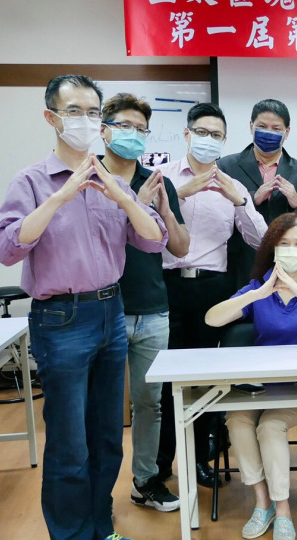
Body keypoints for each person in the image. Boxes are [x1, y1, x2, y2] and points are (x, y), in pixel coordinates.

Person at [0, 74, 167, 540]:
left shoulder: (112, 181)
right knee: (70, 442)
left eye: (93, 112)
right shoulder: (31, 181)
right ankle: (72, 534)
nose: (85, 121)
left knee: (107, 436)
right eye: (74, 111)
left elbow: (155, 240)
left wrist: (123, 197)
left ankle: (100, 525)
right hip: (60, 319)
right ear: (51, 118)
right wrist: (61, 196)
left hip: (111, 311)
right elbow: (6, 249)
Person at [205, 213, 297, 540]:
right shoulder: (259, 288)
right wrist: (256, 295)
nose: (291, 249)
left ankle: (283, 509)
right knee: (237, 420)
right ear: (273, 249)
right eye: (284, 243)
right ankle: (263, 502)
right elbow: (212, 319)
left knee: (270, 427)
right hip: (259, 389)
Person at [153, 102, 269, 488]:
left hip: (212, 289)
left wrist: (240, 200)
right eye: (201, 132)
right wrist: (178, 194)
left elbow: (260, 240)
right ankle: (161, 461)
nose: (208, 140)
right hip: (167, 286)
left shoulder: (233, 185)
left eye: (216, 135)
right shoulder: (162, 177)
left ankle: (202, 458)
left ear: (224, 141)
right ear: (187, 134)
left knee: (205, 378)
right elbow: (140, 229)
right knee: (166, 379)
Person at [99, 92, 190, 513]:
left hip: (153, 308)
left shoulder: (158, 182)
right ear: (104, 131)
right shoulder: (90, 177)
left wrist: (165, 211)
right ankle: (97, 492)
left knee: (150, 402)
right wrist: (134, 207)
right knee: (101, 406)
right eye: (124, 126)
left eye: (140, 129)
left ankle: (146, 480)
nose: (133, 135)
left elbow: (181, 248)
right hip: (103, 308)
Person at [218, 98, 297, 287]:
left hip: (289, 271)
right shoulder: (225, 167)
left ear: (287, 132)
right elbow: (216, 216)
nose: (268, 133)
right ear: (251, 126)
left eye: (276, 128)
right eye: (262, 127)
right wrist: (251, 198)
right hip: (239, 268)